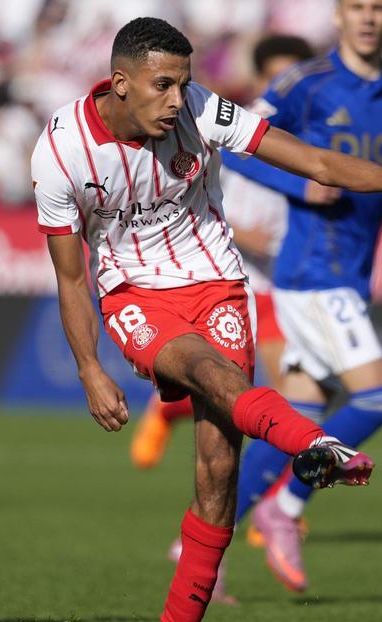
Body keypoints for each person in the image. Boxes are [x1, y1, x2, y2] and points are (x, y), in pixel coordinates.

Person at [30, 17, 382, 622]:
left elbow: (312, 160)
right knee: (203, 368)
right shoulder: (59, 152)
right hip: (137, 296)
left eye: (184, 84)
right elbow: (69, 274)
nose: (178, 100)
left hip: (218, 284)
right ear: (120, 83)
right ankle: (309, 443)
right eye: (163, 86)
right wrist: (90, 367)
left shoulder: (201, 111)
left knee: (219, 473)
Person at [216, 0, 382, 594]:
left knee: (302, 418)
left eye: (378, 8)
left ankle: (197, 545)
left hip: (355, 269)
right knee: (375, 400)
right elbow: (234, 143)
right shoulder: (304, 82)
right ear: (340, 17)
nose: (368, 18)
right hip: (314, 270)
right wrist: (300, 180)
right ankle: (286, 508)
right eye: (357, 7)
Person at [128, 35, 315, 473]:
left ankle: (265, 500)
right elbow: (191, 202)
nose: (283, 86)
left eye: (293, 77)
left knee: (276, 398)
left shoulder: (310, 138)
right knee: (258, 395)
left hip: (289, 279)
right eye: (275, 76)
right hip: (236, 278)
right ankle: (266, 503)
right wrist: (242, 233)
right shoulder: (233, 129)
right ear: (260, 78)